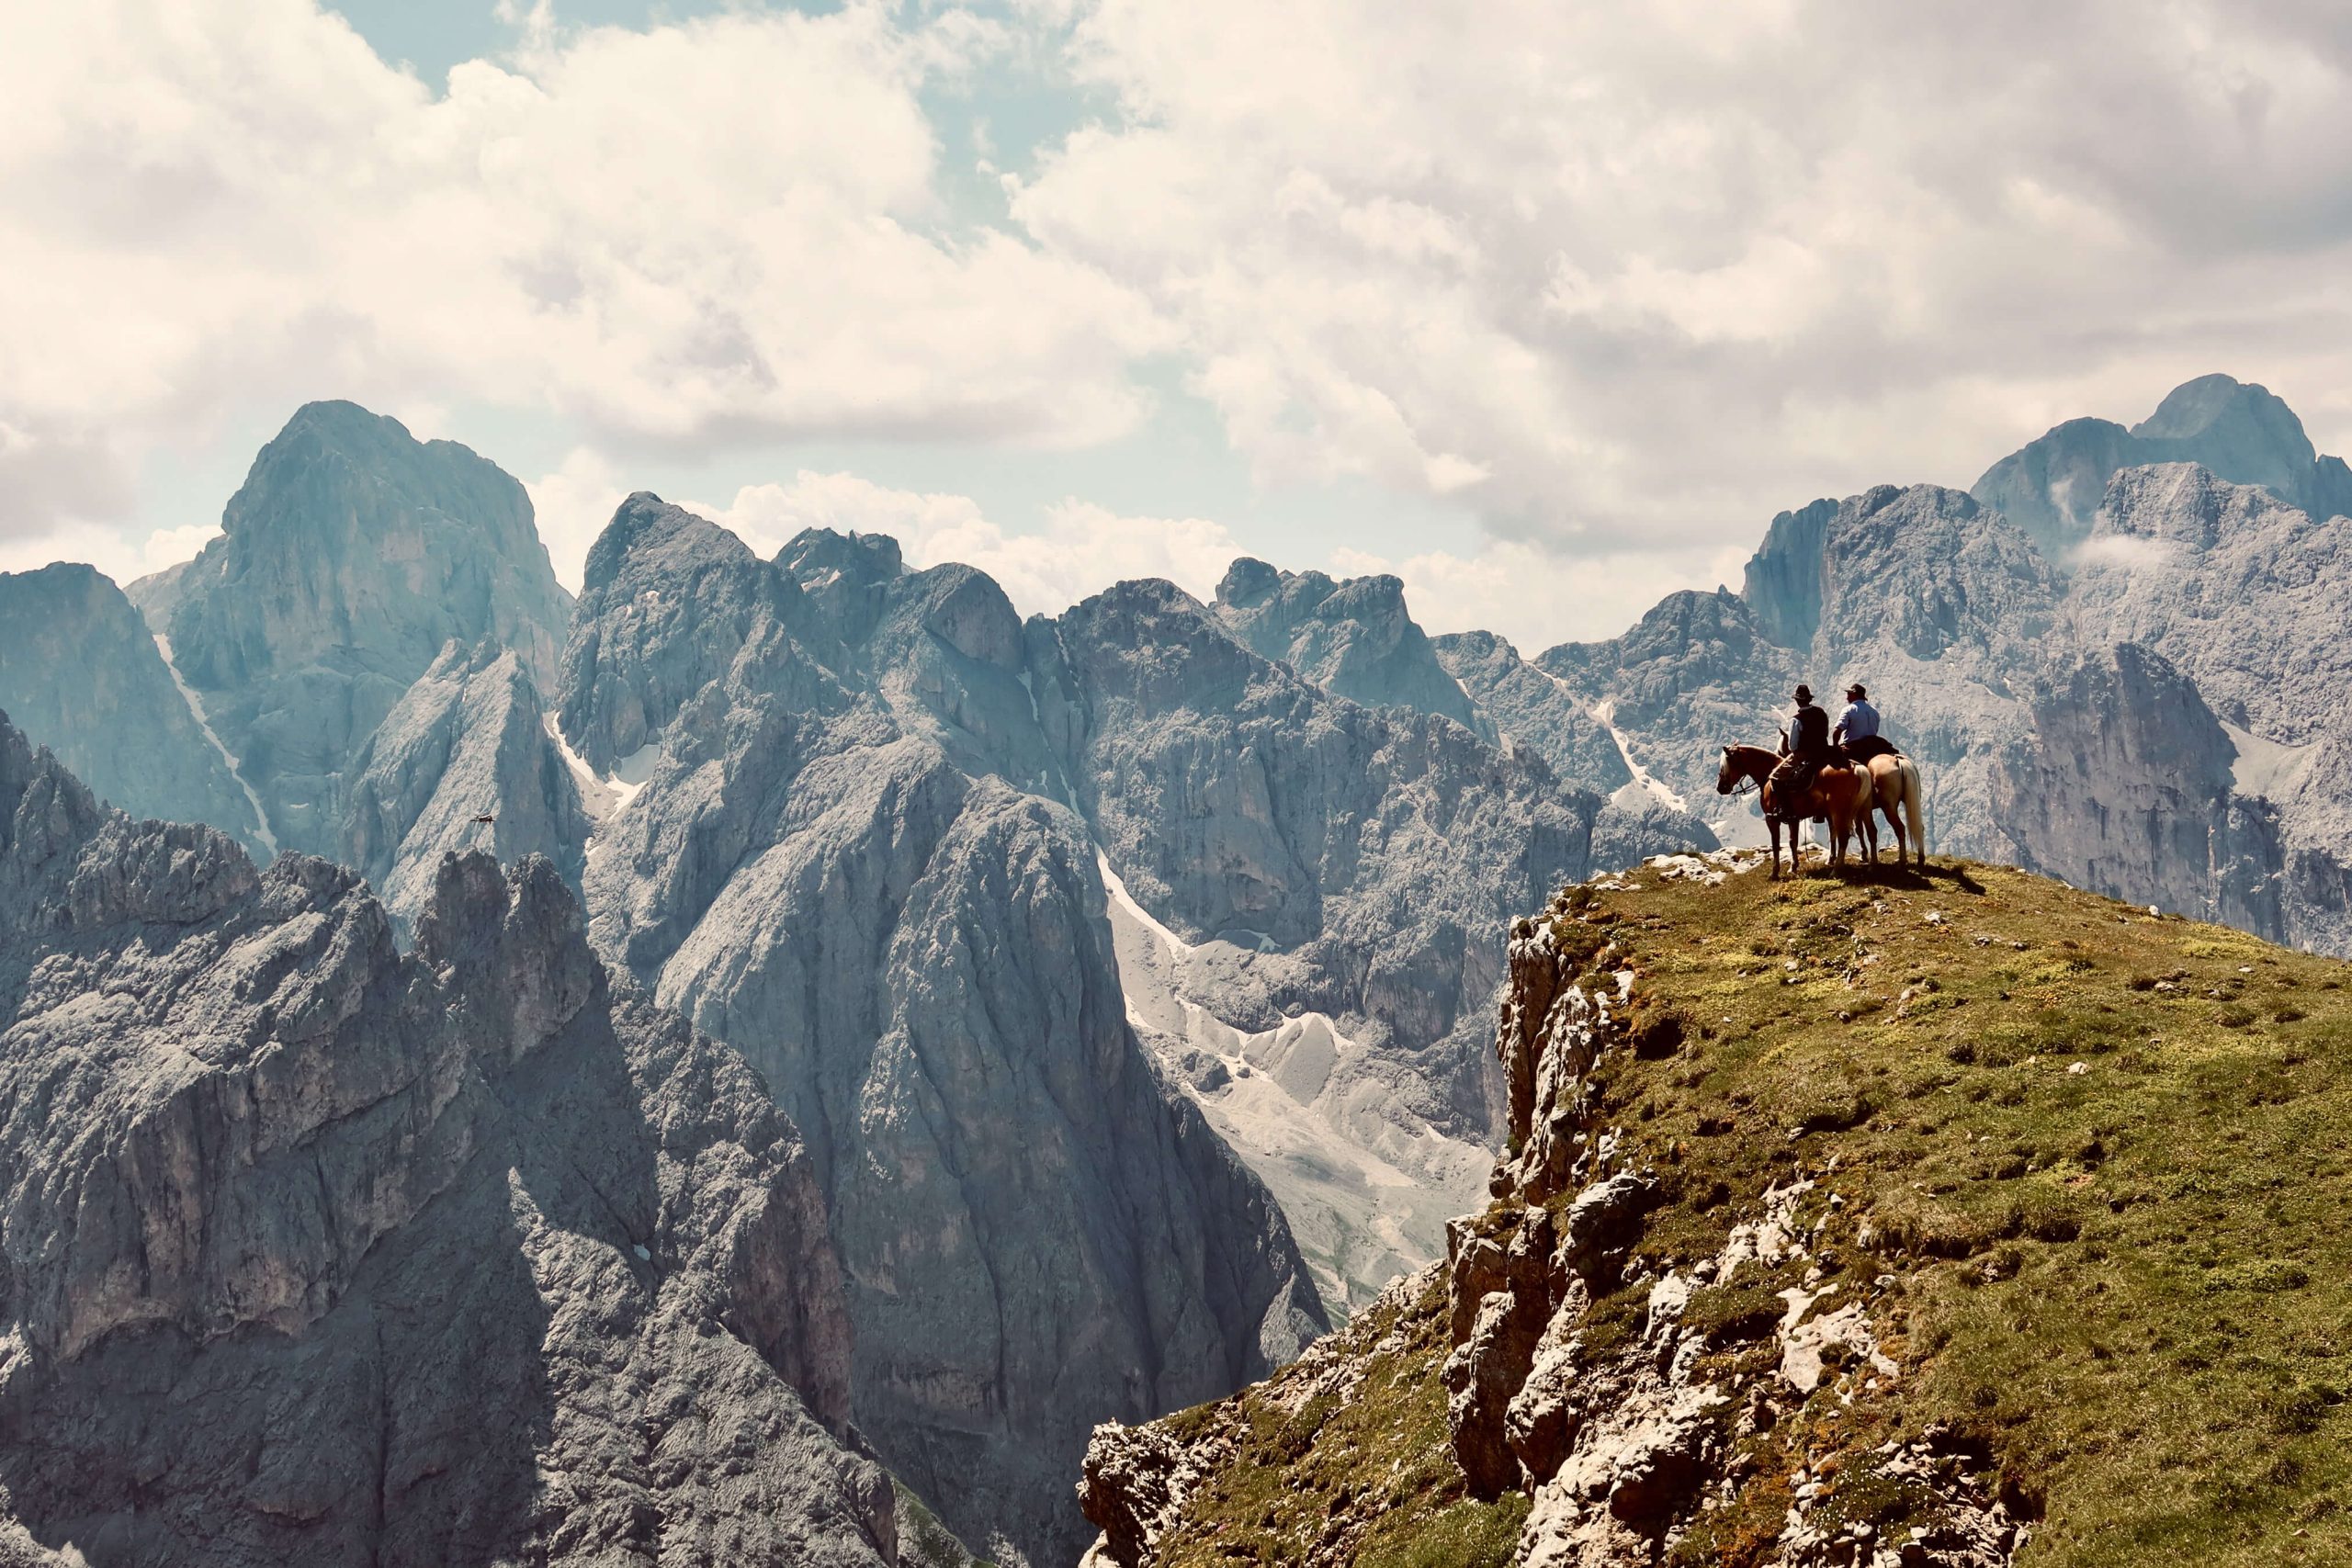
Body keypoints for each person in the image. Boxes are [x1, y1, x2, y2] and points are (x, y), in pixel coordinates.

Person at [1770, 683, 1834, 811]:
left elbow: (1792, 746)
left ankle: (1786, 810)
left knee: (1775, 777)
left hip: (1805, 755)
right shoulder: (1821, 713)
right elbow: (1826, 733)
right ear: (1809, 699)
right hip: (1824, 752)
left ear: (1797, 701)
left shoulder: (1796, 720)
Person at [1835, 682, 1899, 762]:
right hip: (1874, 747)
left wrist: (1835, 745)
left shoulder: (1848, 709)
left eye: (1849, 694)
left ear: (1854, 694)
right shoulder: (1874, 711)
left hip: (1854, 748)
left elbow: (1838, 730)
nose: (1847, 698)